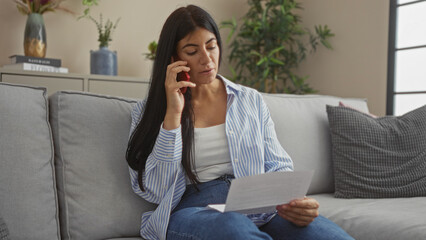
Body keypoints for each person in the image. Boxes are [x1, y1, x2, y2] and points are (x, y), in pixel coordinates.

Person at [126, 5, 353, 240]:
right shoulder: (149, 112)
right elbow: (155, 190)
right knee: (233, 227)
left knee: (326, 235)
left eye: (211, 46)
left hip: (260, 206)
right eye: (192, 51)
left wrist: (295, 202)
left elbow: (277, 165)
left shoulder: (249, 100)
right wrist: (173, 114)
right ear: (174, 59)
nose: (207, 59)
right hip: (195, 210)